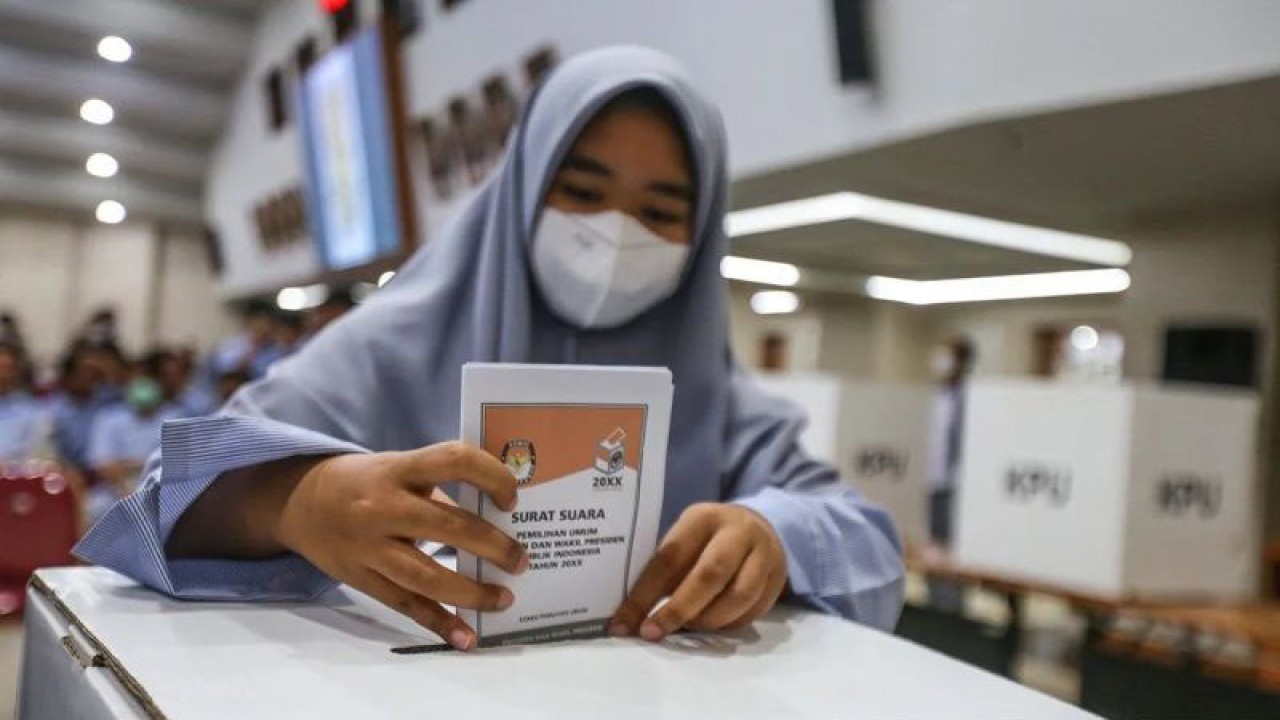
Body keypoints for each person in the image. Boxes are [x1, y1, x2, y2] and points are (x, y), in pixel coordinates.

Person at [76, 47, 904, 651]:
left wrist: (772, 534)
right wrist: (294, 501)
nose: (616, 234)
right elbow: (162, 497)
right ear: (519, 190)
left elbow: (863, 535)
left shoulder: (716, 398)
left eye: (661, 210)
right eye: (579, 193)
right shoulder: (384, 350)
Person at [85, 371, 185, 522]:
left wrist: (128, 464)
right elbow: (104, 466)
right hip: (117, 488)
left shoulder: (175, 416)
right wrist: (128, 491)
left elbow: (179, 461)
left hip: (163, 487)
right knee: (95, 506)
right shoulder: (109, 418)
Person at [926, 339, 975, 548]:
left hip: (953, 482)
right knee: (933, 540)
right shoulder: (936, 393)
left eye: (947, 356)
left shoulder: (969, 395)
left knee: (950, 542)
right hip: (932, 478)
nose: (941, 362)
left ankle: (946, 582)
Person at [48, 345, 109, 473]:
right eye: (82, 373)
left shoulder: (106, 405)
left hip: (103, 474)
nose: (87, 378)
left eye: (93, 374)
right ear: (69, 375)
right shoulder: (55, 410)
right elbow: (51, 452)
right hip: (66, 473)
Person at [209, 300, 279, 380]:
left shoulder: (275, 346)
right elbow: (221, 369)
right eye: (259, 321)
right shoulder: (232, 344)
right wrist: (251, 351)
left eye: (268, 322)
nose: (264, 327)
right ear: (249, 321)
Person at [0, 342, 46, 461]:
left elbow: (35, 456)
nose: (3, 375)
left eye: (7, 368)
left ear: (16, 372)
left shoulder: (32, 412)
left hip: (14, 475)